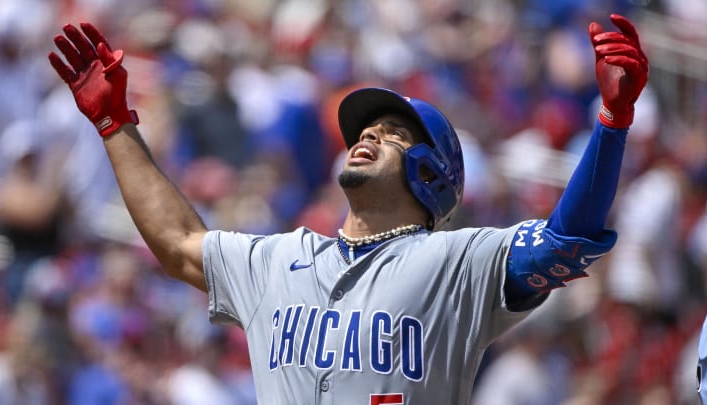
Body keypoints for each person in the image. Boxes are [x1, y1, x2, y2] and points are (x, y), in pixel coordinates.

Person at [47, 13, 648, 404]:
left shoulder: (459, 263)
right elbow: (177, 241)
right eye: (366, 128)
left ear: (432, 173)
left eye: (393, 132)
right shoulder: (277, 259)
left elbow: (568, 237)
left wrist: (613, 123)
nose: (368, 135)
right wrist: (112, 123)